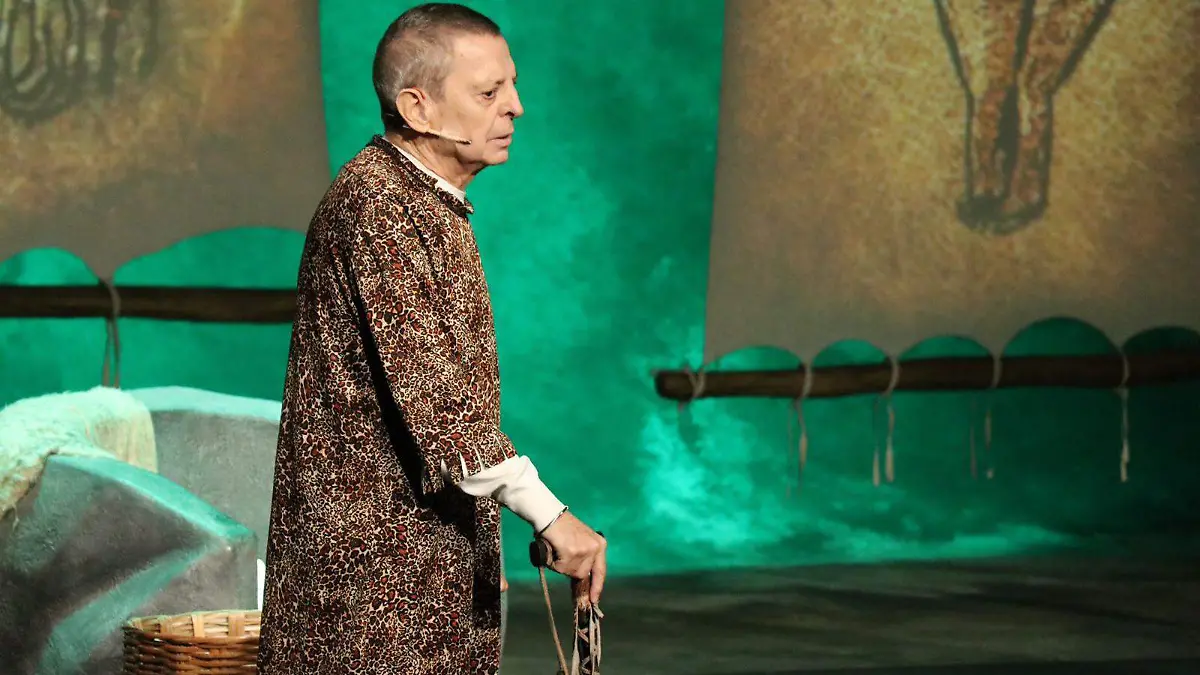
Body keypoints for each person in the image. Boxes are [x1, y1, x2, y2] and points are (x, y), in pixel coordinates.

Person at [257, 4, 607, 673]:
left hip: (414, 563)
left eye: (510, 86)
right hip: (370, 582)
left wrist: (476, 544)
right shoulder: (378, 206)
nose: (516, 107)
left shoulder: (422, 200)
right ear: (417, 107)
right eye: (489, 92)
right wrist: (550, 515)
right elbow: (440, 406)